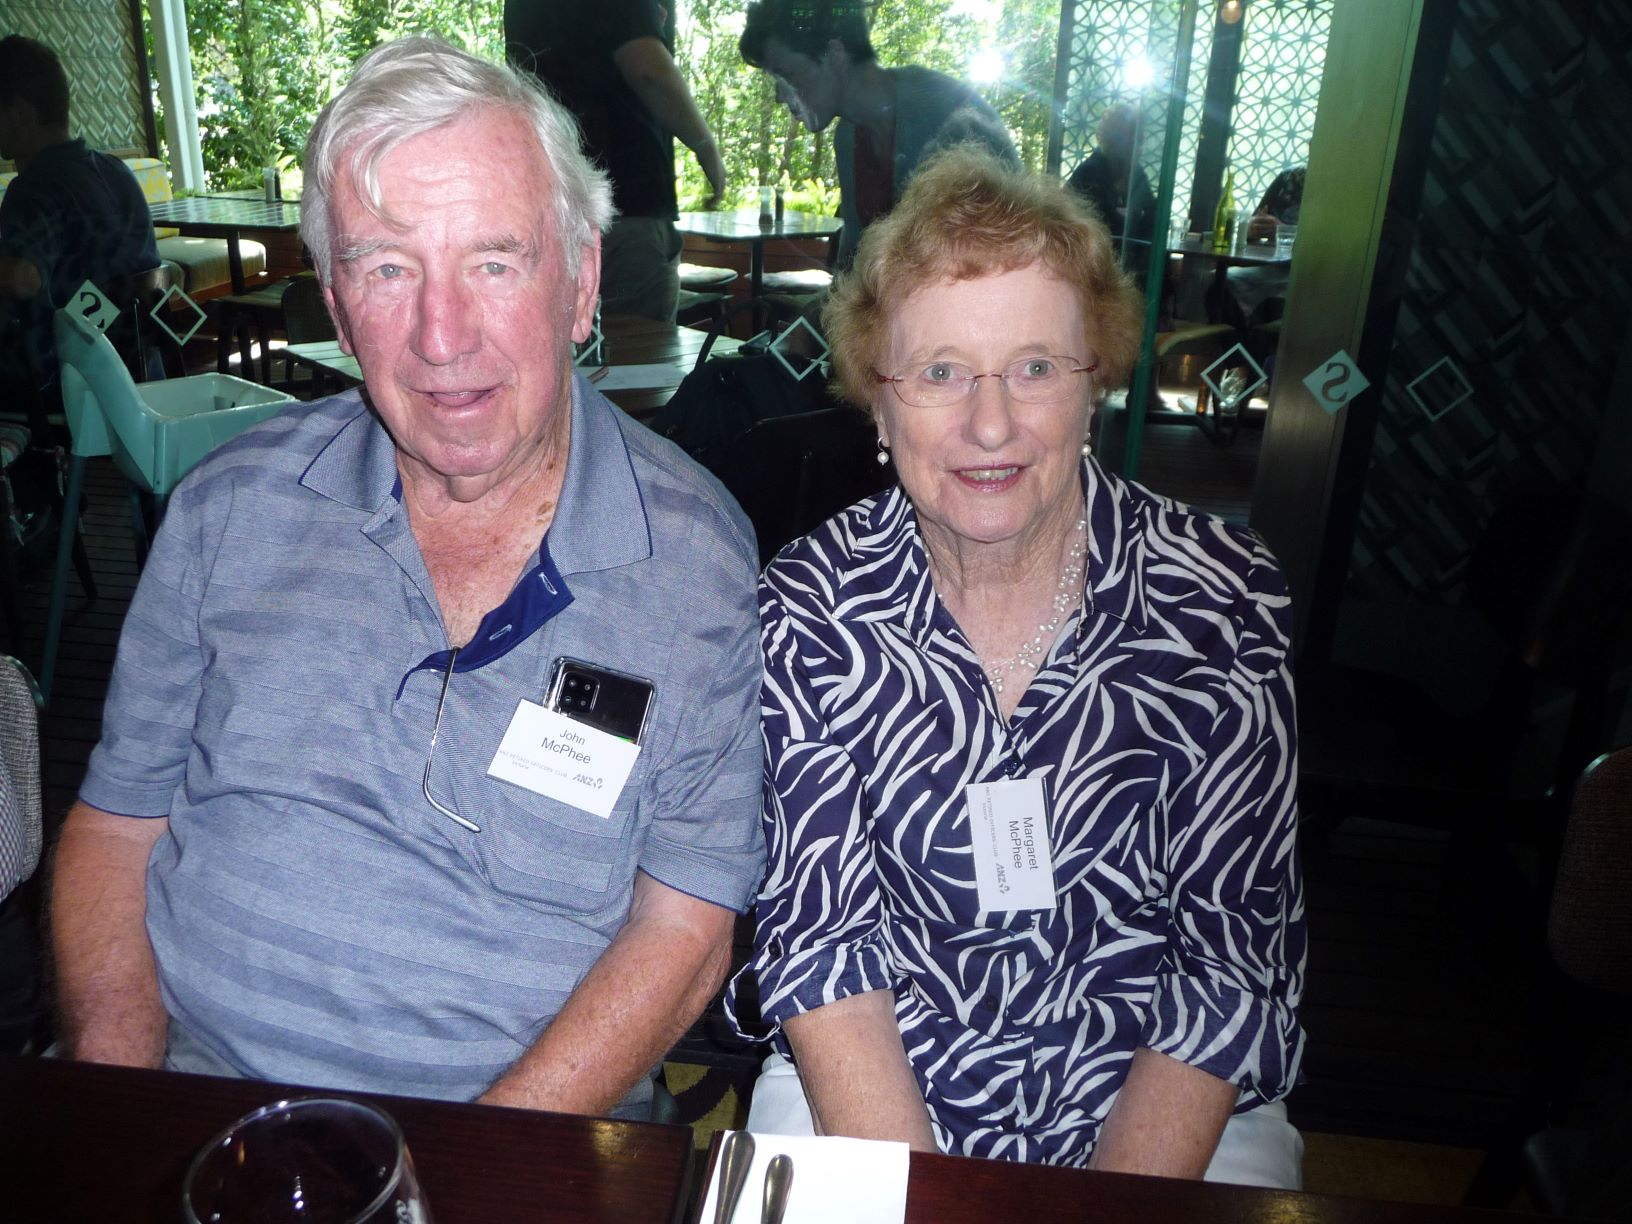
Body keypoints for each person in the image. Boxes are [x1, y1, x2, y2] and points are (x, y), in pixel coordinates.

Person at [50, 35, 765, 1122]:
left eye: (494, 261)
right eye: (388, 268)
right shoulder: (223, 509)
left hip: (522, 1139)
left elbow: (687, 925)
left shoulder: (695, 561)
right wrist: (120, 1103)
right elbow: (116, 823)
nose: (441, 337)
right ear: (338, 308)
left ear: (580, 285)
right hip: (202, 1107)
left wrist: (464, 1171)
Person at [728, 147, 1306, 1183]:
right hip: (871, 1078)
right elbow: (825, 951)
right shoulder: (811, 606)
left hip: (1159, 1091)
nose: (989, 424)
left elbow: (1229, 963)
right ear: (879, 399)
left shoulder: (1219, 598)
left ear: (1096, 383)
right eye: (940, 372)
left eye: (1035, 367)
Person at [739, 0, 1017, 267]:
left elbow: (997, 248)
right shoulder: (847, 138)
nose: (779, 96)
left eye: (787, 74)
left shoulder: (951, 114)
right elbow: (855, 260)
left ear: (834, 53)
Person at [506, 0, 726, 321]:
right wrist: (706, 148)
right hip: (625, 203)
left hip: (550, 199)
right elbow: (647, 68)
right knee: (640, 343)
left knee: (565, 337)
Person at [0, 35, 159, 411]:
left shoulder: (34, 189)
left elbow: (24, 279)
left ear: (20, 114)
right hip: (141, 374)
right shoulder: (116, 171)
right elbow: (148, 275)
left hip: (65, 389)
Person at [1066, 102, 1155, 243]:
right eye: (1131, 138)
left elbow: (1154, 219)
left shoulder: (1135, 172)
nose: (1138, 145)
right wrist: (1135, 215)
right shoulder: (1090, 173)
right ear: (1111, 139)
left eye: (1138, 138)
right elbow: (1104, 227)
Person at [1227, 165, 1305, 325]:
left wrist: (1283, 230)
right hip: (1270, 266)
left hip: (1309, 271)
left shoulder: (1343, 186)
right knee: (1216, 279)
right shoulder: (1290, 177)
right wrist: (1252, 229)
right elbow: (1256, 219)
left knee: (1228, 280)